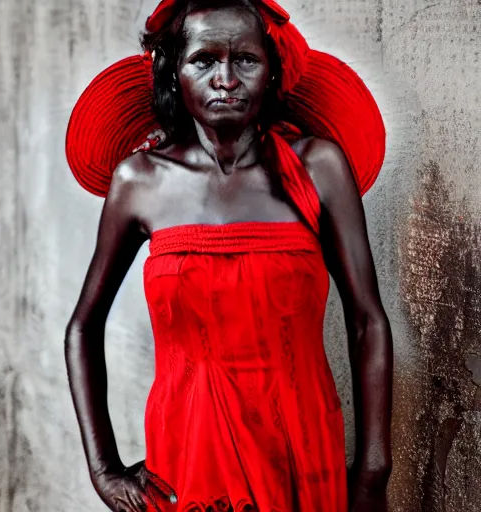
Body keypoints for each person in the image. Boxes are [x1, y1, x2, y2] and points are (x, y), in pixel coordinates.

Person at [64, 0, 393, 510]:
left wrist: (373, 469)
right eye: (203, 60)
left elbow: (367, 319)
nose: (225, 78)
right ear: (173, 71)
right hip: (188, 459)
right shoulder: (139, 181)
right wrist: (103, 469)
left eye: (245, 60)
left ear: (272, 71)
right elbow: (83, 326)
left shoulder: (319, 167)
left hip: (304, 453)